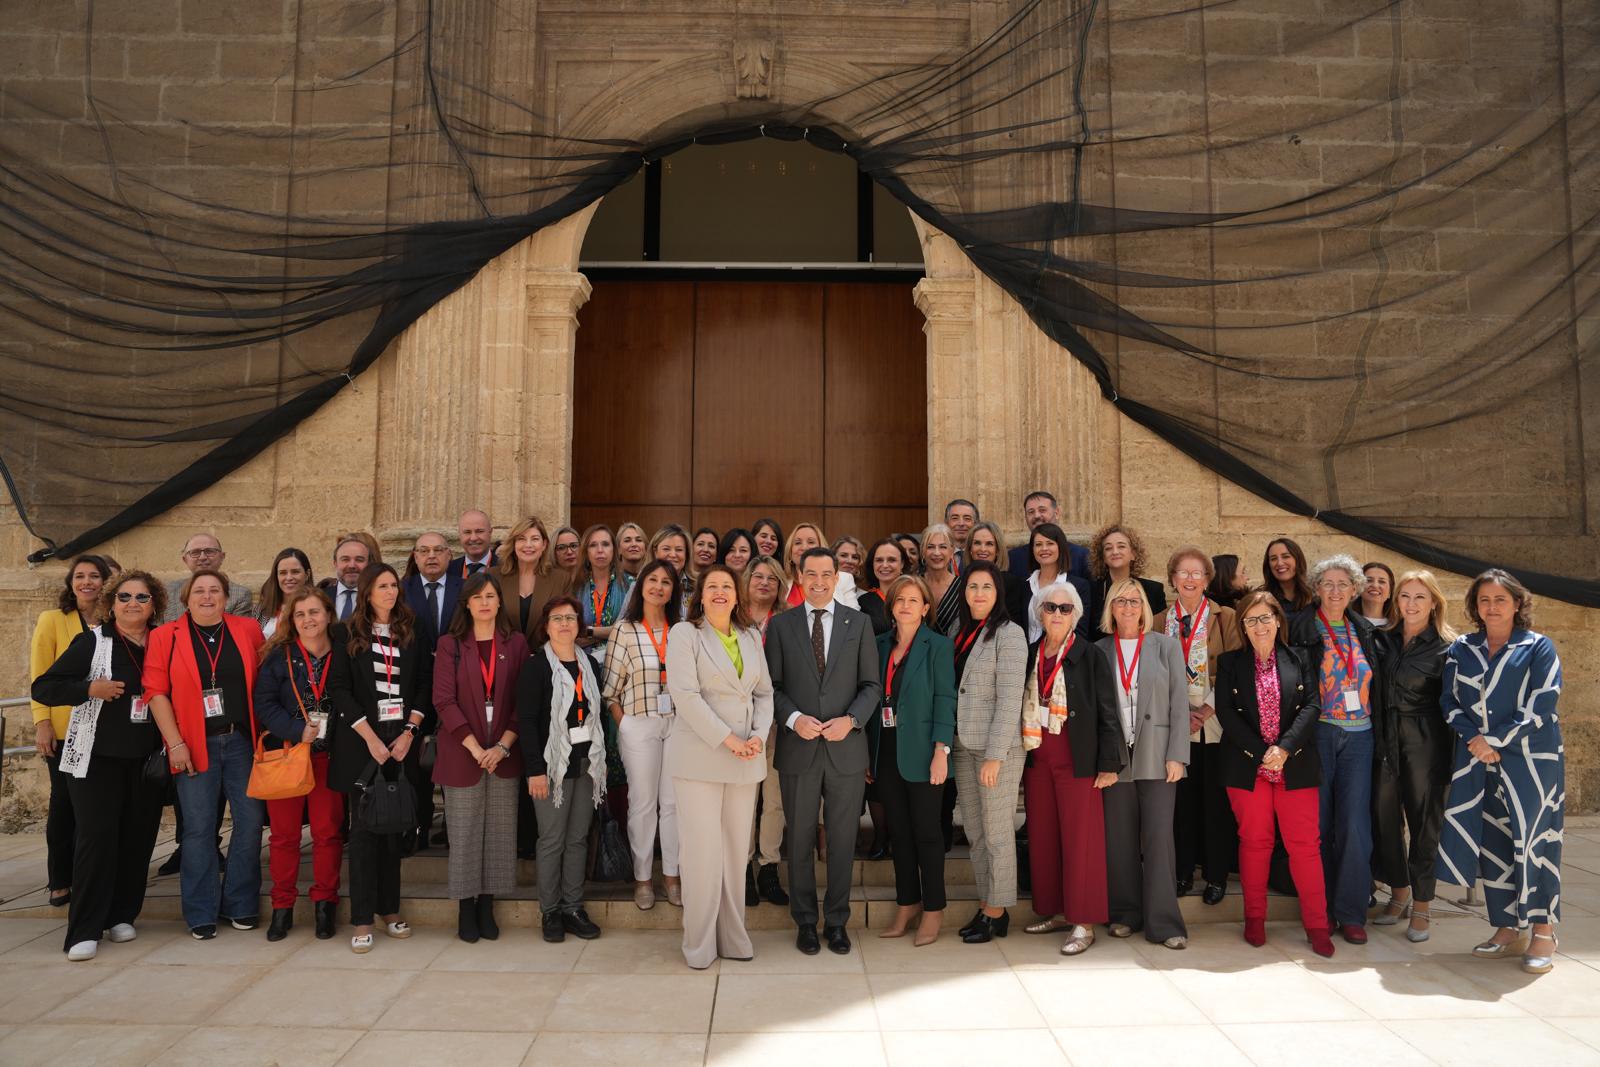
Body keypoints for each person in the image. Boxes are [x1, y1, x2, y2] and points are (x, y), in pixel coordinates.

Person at [31, 570, 166, 961]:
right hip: (95, 760)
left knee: (138, 839)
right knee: (96, 841)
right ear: (111, 603)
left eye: (142, 597)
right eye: (124, 597)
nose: (132, 604)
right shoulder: (93, 642)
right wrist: (90, 688)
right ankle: (84, 930)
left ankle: (121, 915)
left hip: (145, 761)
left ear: (154, 604)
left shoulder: (162, 641)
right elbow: (45, 686)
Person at [1438, 570, 1564, 974]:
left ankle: (1543, 930)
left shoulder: (1538, 647)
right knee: (1492, 840)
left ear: (1517, 603)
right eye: (1484, 600)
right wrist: (1476, 739)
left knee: (1534, 842)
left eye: (1500, 599)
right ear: (1475, 606)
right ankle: (1507, 928)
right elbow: (1448, 700)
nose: (1491, 607)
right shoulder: (1462, 648)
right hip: (1478, 759)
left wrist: (1494, 740)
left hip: (1532, 761)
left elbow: (1542, 703)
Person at [766, 547, 881, 956]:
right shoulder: (781, 625)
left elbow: (872, 686)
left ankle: (836, 921)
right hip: (798, 747)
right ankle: (805, 922)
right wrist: (793, 718)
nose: (818, 582)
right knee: (798, 839)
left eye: (826, 574)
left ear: (837, 578)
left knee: (842, 839)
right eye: (810, 574)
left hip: (845, 748)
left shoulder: (859, 623)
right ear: (799, 577)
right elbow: (772, 687)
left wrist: (851, 720)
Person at [145, 569, 268, 939]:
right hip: (193, 744)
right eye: (199, 590)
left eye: (215, 590)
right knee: (198, 829)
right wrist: (175, 743)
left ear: (226, 597)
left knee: (250, 822)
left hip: (242, 742)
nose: (207, 596)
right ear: (186, 598)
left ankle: (240, 904)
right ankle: (200, 911)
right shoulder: (166, 636)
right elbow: (155, 692)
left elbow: (264, 681)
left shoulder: (247, 630)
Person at [666, 565, 775, 968]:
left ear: (737, 595)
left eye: (727, 586)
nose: (719, 592)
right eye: (712, 585)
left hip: (746, 757)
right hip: (703, 755)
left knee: (734, 852)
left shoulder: (750, 636)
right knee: (702, 852)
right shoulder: (685, 634)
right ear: (700, 594)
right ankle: (699, 943)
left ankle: (732, 937)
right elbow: (685, 695)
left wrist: (758, 737)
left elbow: (764, 693)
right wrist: (729, 739)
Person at [1215, 591, 1334, 957]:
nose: (1259, 626)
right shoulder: (1230, 663)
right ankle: (1254, 919)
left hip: (1294, 763)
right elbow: (1226, 713)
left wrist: (1283, 749)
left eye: (1265, 617)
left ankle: (1317, 925)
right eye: (1251, 620)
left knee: (1305, 846)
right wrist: (1261, 753)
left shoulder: (1300, 657)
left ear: (1278, 620)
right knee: (1255, 843)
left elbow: (1312, 705)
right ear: (1243, 627)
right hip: (1247, 766)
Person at [327, 566, 431, 952]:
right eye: (382, 586)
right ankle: (361, 919)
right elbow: (339, 688)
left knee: (394, 829)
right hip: (363, 744)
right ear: (367, 592)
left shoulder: (411, 630)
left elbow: (424, 684)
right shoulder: (346, 633)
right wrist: (370, 738)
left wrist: (410, 732)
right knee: (364, 834)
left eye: (393, 585)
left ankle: (390, 909)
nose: (390, 591)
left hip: (401, 743)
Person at [1021, 582, 1122, 956]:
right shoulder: (1031, 652)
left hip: (1077, 759)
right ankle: (1057, 911)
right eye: (1050, 607)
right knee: (1044, 836)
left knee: (1082, 841)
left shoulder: (1089, 654)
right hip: (1038, 758)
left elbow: (1107, 709)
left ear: (1076, 615)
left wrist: (1109, 762)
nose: (1057, 614)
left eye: (1065, 609)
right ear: (1040, 613)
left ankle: (1085, 921)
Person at [1288, 554, 1384, 945]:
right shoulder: (1301, 627)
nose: (1335, 590)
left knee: (1355, 827)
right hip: (1319, 734)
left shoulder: (1364, 629)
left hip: (1360, 737)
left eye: (1343, 584)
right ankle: (1320, 909)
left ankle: (1351, 912)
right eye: (1327, 583)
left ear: (1355, 590)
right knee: (1319, 825)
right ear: (1316, 588)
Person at [433, 573, 528, 943]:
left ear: (500, 601)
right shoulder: (450, 645)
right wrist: (475, 748)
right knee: (464, 832)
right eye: (478, 597)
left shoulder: (515, 643)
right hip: (463, 752)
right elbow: (443, 700)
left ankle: (487, 905)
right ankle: (465, 906)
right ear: (467, 604)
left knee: (500, 832)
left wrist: (502, 747)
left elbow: (523, 701)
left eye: (490, 596)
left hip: (504, 751)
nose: (485, 602)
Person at [1095, 579, 1190, 949]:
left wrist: (1178, 755)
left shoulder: (1166, 646)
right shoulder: (1098, 650)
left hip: (1159, 755)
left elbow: (1179, 704)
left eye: (1134, 601)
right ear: (1111, 608)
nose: (1128, 607)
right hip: (1115, 759)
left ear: (1144, 608)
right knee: (1118, 840)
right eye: (1121, 601)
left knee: (1159, 840)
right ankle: (1124, 914)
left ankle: (1165, 923)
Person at [252, 588, 346, 944]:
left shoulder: (343, 653)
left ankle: (325, 904)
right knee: (284, 837)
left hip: (329, 758)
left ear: (328, 615)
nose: (308, 619)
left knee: (327, 833)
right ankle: (282, 906)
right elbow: (264, 703)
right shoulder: (279, 656)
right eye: (301, 614)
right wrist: (295, 730)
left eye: (314, 612)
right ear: (291, 620)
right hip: (288, 755)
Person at [871, 575, 957, 946]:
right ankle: (907, 903)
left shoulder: (938, 646)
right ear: (891, 607)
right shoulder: (878, 646)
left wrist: (941, 750)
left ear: (925, 608)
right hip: (886, 751)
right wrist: (868, 756)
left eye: (913, 600)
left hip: (924, 753)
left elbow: (945, 699)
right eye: (899, 600)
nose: (905, 606)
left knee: (927, 833)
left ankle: (934, 908)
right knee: (899, 834)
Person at [1154, 548, 1242, 905]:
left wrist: (1205, 710)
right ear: (1172, 579)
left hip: (1216, 724)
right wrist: (1181, 713)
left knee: (1216, 805)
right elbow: (1153, 674)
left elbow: (1236, 669)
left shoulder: (1226, 618)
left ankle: (1216, 875)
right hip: (1173, 726)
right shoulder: (1159, 620)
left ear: (1207, 579)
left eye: (1197, 573)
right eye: (1183, 573)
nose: (1189, 579)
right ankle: (1182, 871)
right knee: (1181, 806)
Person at [1370, 570, 1455, 943]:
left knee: (1424, 824)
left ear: (1434, 602)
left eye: (1420, 597)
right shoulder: (1382, 640)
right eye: (1405, 596)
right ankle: (1399, 891)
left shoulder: (1448, 647)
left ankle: (1422, 905)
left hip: (1426, 741)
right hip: (1384, 737)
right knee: (1384, 818)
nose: (1411, 603)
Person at [518, 596, 607, 943]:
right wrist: (534, 770)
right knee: (552, 840)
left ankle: (573, 907)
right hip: (551, 768)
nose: (565, 624)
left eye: (570, 618)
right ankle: (550, 910)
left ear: (579, 625)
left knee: (577, 839)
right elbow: (527, 722)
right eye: (557, 618)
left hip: (586, 765)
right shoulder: (536, 666)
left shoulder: (590, 664)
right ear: (546, 626)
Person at [29, 553, 115, 908]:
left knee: (96, 809)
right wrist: (42, 723)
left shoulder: (114, 620)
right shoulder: (52, 620)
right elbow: (39, 675)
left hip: (105, 730)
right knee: (64, 804)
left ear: (106, 582)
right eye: (79, 576)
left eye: (94, 576)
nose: (87, 582)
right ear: (71, 583)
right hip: (66, 730)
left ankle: (91, 875)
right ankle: (61, 879)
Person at [948, 561, 1028, 944]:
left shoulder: (1010, 634)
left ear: (998, 593)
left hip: (997, 749)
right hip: (964, 745)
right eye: (972, 586)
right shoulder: (959, 631)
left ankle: (998, 912)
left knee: (997, 832)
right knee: (975, 832)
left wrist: (995, 755)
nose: (979, 593)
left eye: (987, 587)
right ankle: (986, 903)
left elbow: (1011, 699)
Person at [603, 560, 683, 910]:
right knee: (643, 802)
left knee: (673, 804)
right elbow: (610, 689)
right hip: (639, 723)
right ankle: (643, 878)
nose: (658, 587)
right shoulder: (624, 630)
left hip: (678, 725)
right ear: (641, 586)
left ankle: (672, 876)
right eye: (652, 580)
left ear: (673, 590)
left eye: (666, 582)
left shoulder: (682, 630)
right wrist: (624, 723)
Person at [741, 556, 790, 906]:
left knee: (774, 799)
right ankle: (743, 867)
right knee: (745, 800)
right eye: (757, 576)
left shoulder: (788, 622)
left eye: (772, 578)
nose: (764, 583)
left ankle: (769, 867)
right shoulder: (732, 619)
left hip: (778, 723)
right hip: (740, 725)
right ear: (746, 581)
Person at [1086, 523, 1168, 641]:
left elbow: (1159, 633)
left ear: (1133, 554)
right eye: (1108, 548)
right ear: (1103, 557)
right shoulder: (1090, 590)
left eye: (1121, 546)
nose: (1115, 552)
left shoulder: (1153, 590)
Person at [1018, 523, 1091, 643]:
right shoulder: (1024, 585)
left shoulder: (1079, 586)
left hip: (1062, 653)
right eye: (1038, 544)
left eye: (1050, 543)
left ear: (1060, 547)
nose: (1044, 548)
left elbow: (1080, 633)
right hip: (1025, 653)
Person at [497, 516, 567, 638]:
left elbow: (566, 622)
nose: (528, 545)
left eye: (535, 539)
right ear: (514, 544)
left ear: (544, 544)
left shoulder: (561, 579)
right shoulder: (493, 576)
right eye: (521, 539)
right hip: (503, 649)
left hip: (546, 649)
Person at [162, 533, 254, 621]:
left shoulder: (240, 595)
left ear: (222, 557)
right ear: (185, 559)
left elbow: (239, 629)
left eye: (209, 551)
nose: (202, 557)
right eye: (195, 552)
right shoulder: (168, 591)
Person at [1006, 491, 1091, 581]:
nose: (1036, 515)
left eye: (1042, 510)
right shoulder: (1014, 558)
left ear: (1056, 513)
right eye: (1031, 512)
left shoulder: (1082, 556)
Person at [574, 524, 629, 649]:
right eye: (593, 545)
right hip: (583, 657)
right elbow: (572, 631)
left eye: (605, 544)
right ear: (586, 552)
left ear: (614, 549)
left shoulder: (629, 585)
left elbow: (627, 629)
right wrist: (608, 632)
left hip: (619, 655)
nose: (600, 550)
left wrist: (589, 632)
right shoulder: (575, 586)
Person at [403, 531, 460, 651]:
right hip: (415, 660)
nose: (431, 556)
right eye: (424, 551)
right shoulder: (402, 589)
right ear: (416, 557)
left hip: (454, 658)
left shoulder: (464, 587)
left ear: (449, 555)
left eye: (438, 550)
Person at [966, 521, 1026, 624]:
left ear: (997, 550)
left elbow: (1013, 623)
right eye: (977, 543)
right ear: (970, 549)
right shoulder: (963, 580)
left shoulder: (1011, 583)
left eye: (989, 544)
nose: (983, 549)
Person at [858, 537, 909, 636]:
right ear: (872, 564)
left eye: (891, 560)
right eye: (879, 560)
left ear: (902, 564)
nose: (885, 565)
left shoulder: (916, 597)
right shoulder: (863, 602)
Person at [256, 548, 312, 639]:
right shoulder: (262, 609)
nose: (289, 578)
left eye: (295, 572)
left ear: (307, 574)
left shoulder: (315, 609)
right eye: (283, 573)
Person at [920, 524, 963, 634]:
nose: (937, 553)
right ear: (923, 551)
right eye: (930, 547)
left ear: (951, 551)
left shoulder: (963, 586)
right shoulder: (914, 585)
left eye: (943, 547)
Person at [1261, 537, 1314, 616]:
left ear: (1298, 560)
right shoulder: (1262, 599)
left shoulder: (1315, 596)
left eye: (1285, 556)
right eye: (1273, 559)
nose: (1279, 563)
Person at [327, 536, 372, 622]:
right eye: (345, 559)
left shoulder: (377, 597)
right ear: (335, 564)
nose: (352, 565)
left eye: (359, 560)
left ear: (368, 564)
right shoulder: (321, 596)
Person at [649, 525, 693, 606]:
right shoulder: (640, 585)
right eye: (666, 549)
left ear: (686, 554)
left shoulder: (698, 587)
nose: (673, 555)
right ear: (655, 552)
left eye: (679, 550)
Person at [455, 509, 497, 573]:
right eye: (467, 532)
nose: (473, 538)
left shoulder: (507, 569)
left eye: (479, 531)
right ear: (459, 535)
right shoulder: (448, 569)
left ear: (490, 532)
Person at [1360, 561, 1397, 628]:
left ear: (1390, 592)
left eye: (1382, 581)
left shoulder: (1398, 628)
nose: (1375, 585)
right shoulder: (1346, 621)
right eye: (1369, 580)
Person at [943, 499, 978, 570]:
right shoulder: (938, 554)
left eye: (967, 518)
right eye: (955, 518)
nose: (961, 523)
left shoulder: (982, 554)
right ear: (946, 523)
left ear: (976, 524)